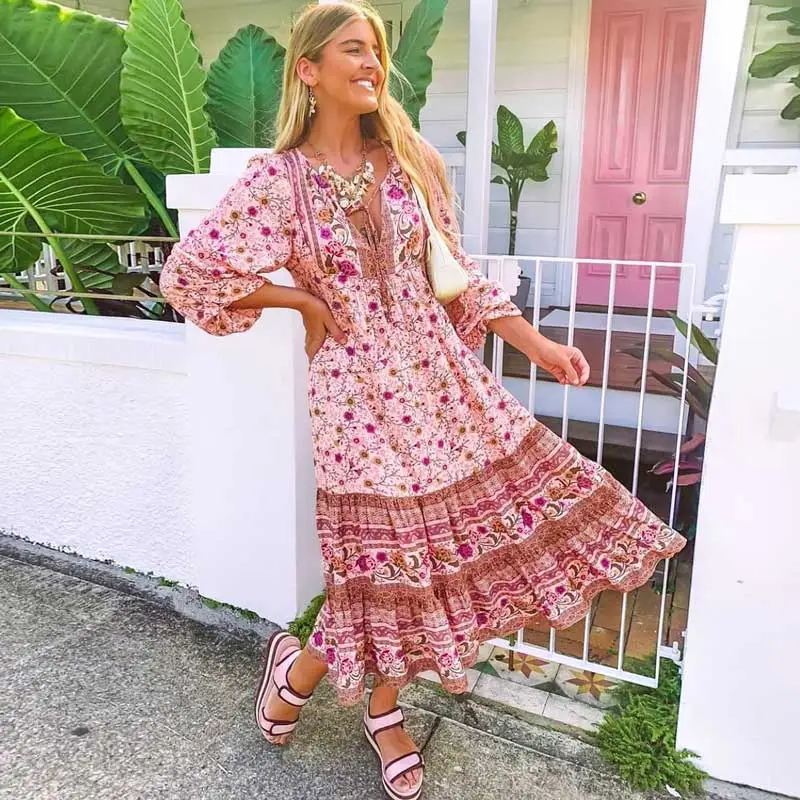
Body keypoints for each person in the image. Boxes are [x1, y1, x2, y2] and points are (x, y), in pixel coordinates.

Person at [160, 3, 686, 798]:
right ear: (308, 70)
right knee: (380, 567)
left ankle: (371, 703)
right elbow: (190, 275)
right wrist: (300, 300)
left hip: (440, 386)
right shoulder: (277, 182)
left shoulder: (410, 162)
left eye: (376, 50)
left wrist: (537, 345)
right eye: (353, 49)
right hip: (354, 397)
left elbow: (456, 277)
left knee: (431, 565)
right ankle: (320, 685)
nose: (372, 63)